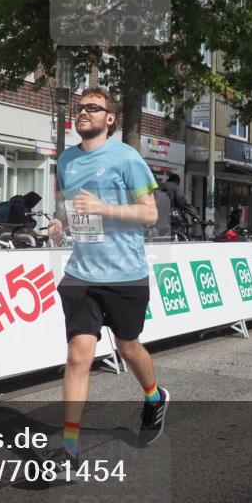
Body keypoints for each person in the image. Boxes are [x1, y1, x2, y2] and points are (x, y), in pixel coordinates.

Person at [46, 87, 168, 470]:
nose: (83, 112)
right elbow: (70, 207)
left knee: (129, 346)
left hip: (125, 274)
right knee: (78, 356)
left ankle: (154, 396)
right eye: (80, 108)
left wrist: (104, 207)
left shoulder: (127, 158)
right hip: (82, 273)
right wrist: (58, 222)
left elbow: (150, 215)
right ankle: (69, 449)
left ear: (110, 118)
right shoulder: (66, 160)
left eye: (92, 108)